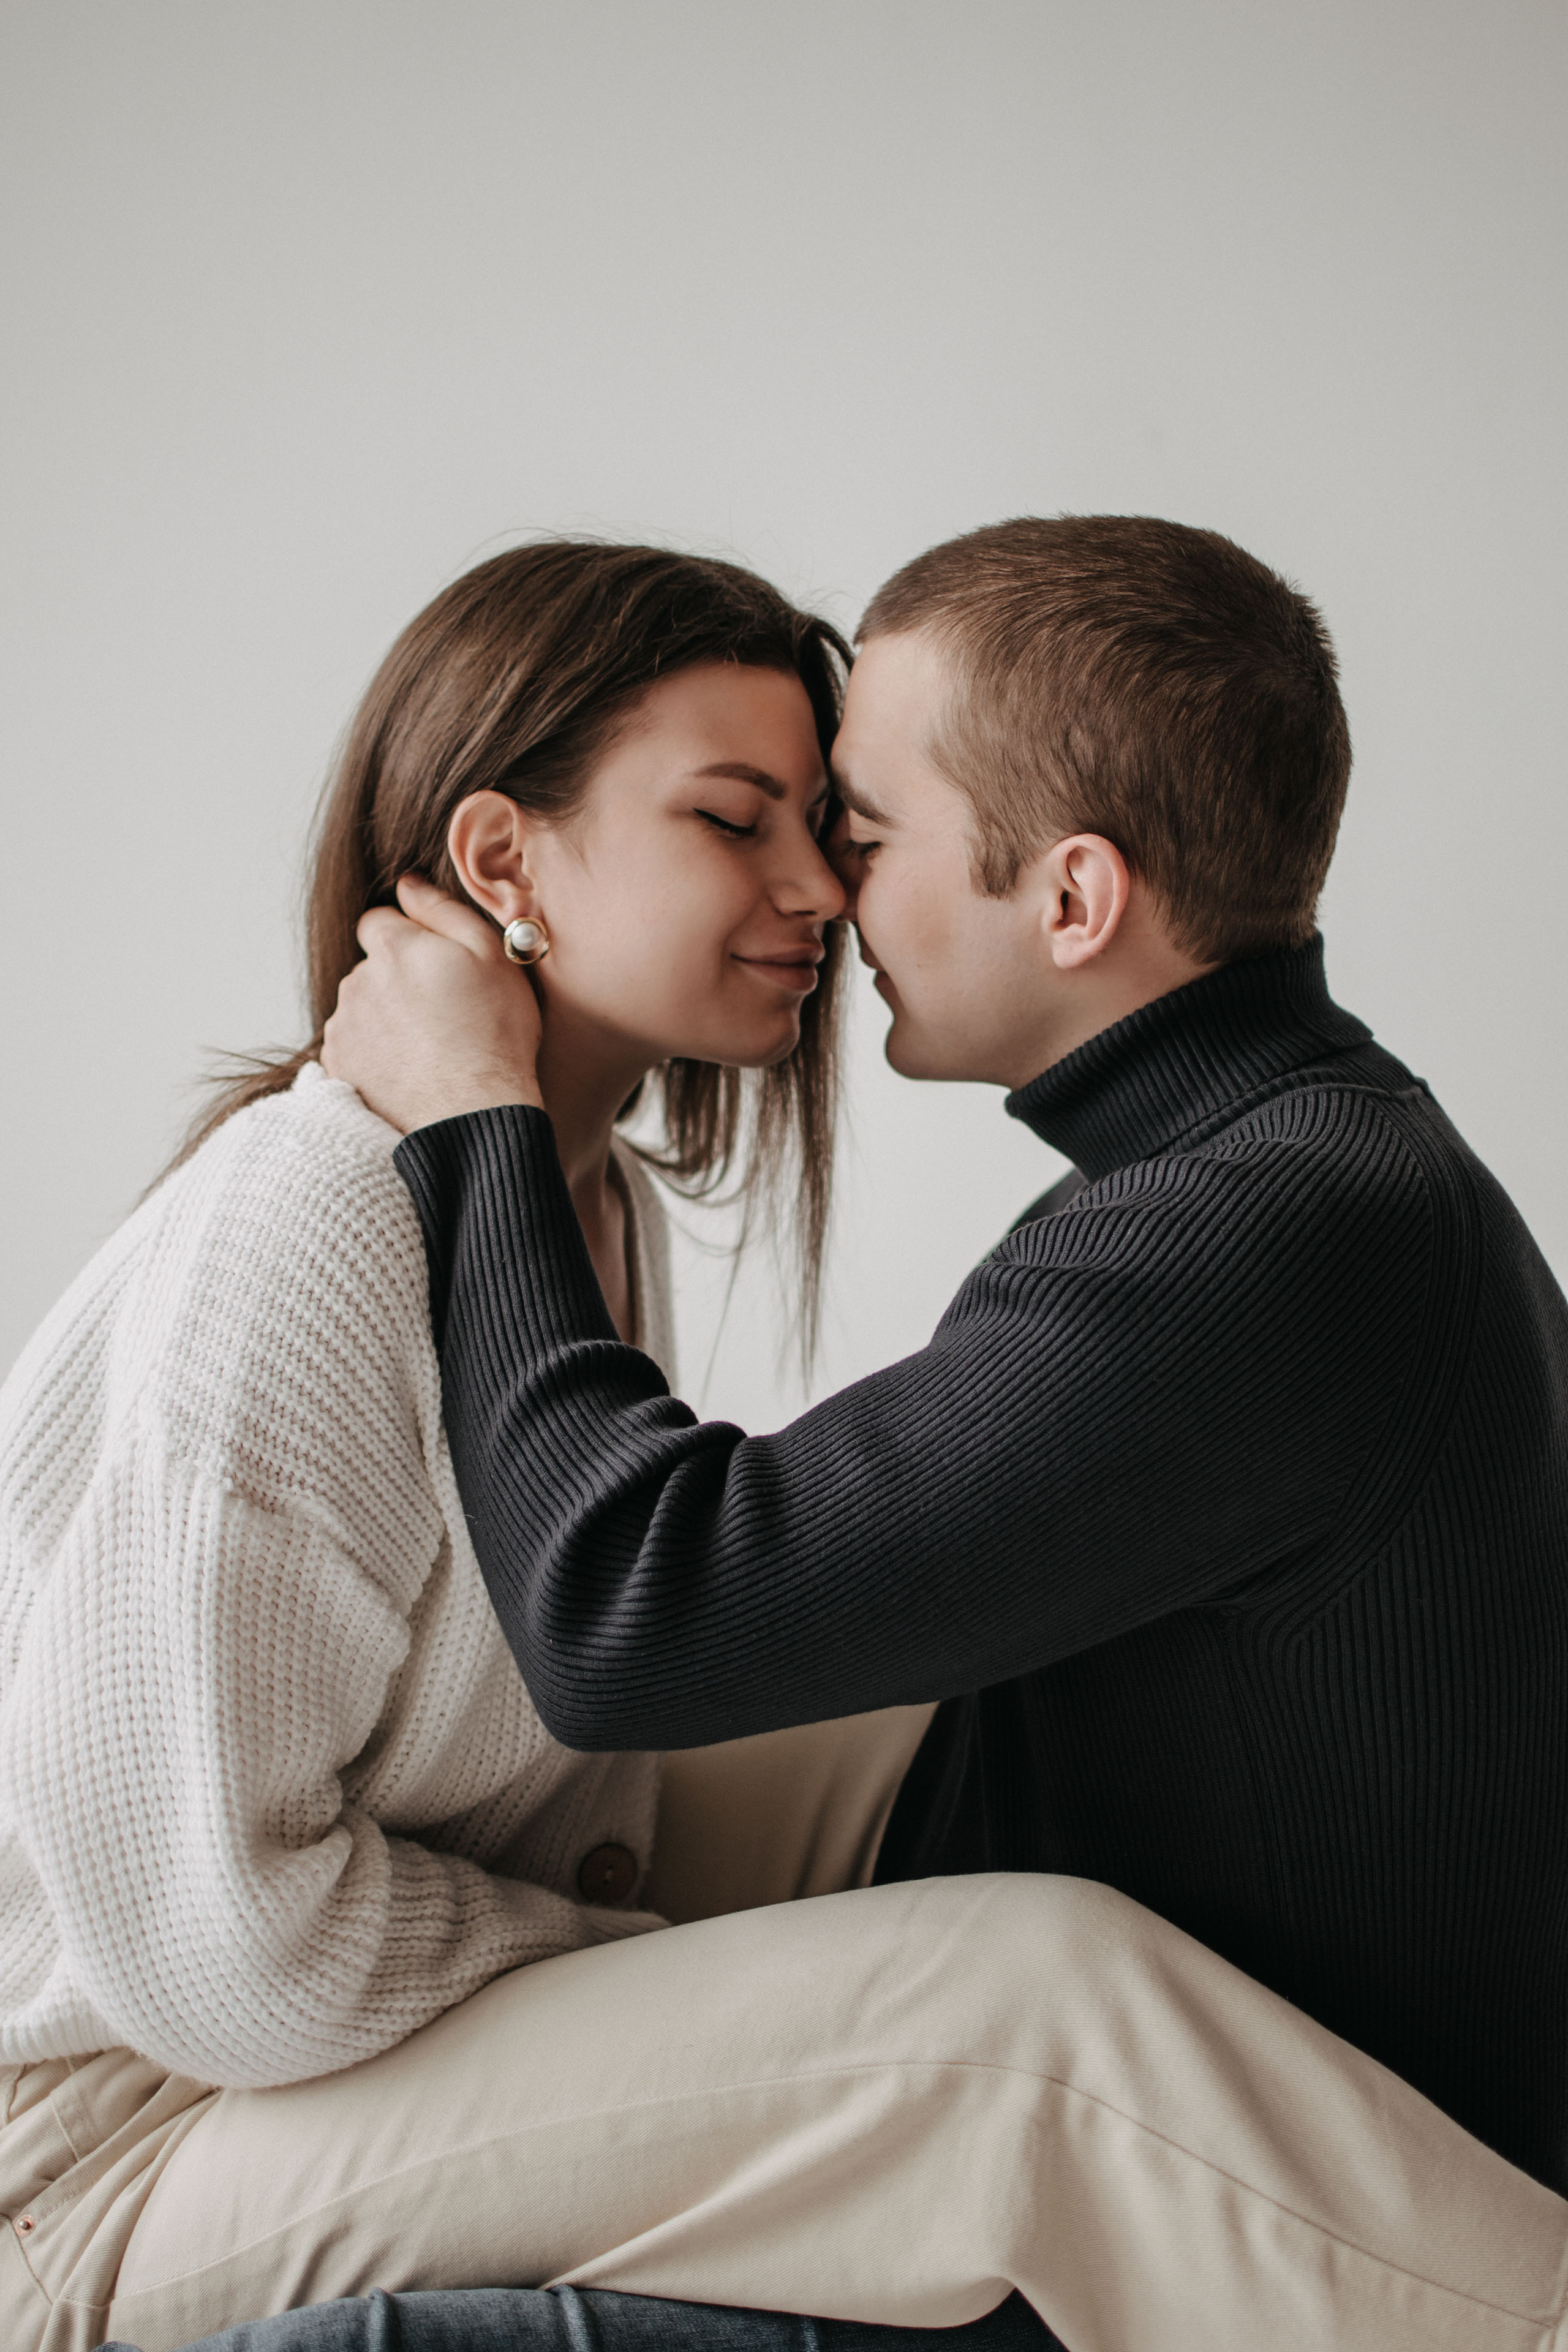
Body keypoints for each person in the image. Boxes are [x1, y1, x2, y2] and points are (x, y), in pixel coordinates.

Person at [315, 516, 1568, 2350]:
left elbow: (630, 1621)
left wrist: (472, 1119)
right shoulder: (1290, 1166)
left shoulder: (1264, 1235)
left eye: (864, 829)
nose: (825, 891)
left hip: (1222, 2232)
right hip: (1093, 2041)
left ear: (1072, 902)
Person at [2, 540, 1080, 2352]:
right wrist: (642, 1964)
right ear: (504, 861)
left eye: (822, 824)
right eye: (733, 819)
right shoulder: (314, 1231)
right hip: (116, 2146)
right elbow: (217, 1946)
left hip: (335, 2031)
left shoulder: (577, 1196)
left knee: (1004, 1725)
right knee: (1019, 2018)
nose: (821, 888)